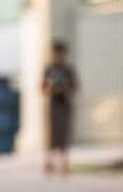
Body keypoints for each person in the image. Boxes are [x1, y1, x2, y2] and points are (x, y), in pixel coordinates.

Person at [42, 41, 78, 175]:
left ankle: (64, 163)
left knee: (64, 134)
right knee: (52, 134)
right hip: (53, 104)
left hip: (65, 103)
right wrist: (51, 88)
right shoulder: (49, 69)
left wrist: (64, 88)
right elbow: (43, 87)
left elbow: (74, 86)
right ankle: (49, 162)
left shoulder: (68, 70)